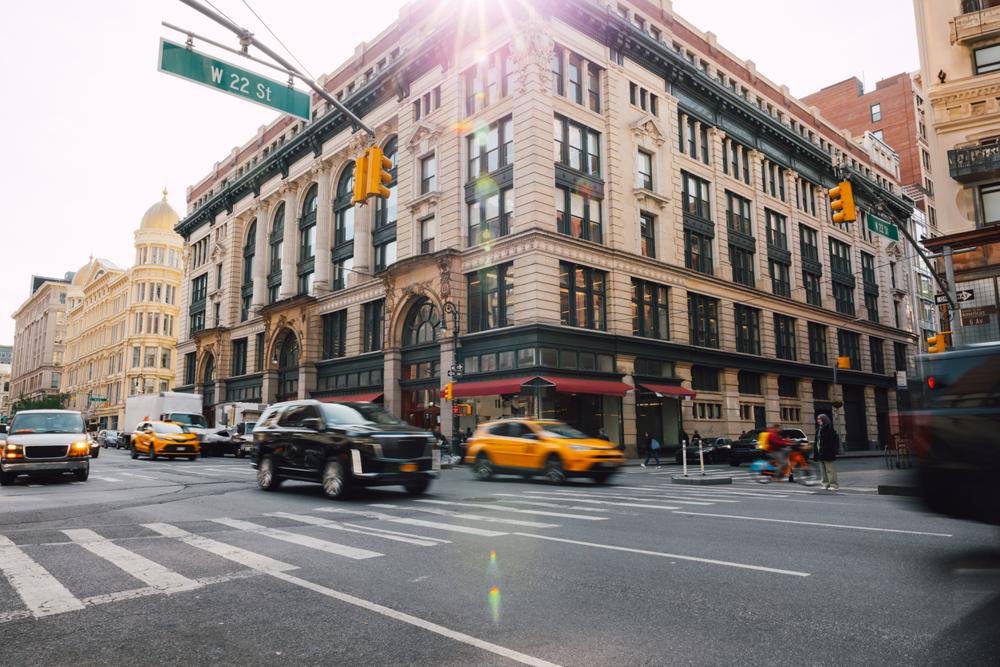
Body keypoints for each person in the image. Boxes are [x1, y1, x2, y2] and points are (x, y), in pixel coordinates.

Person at [815, 414, 839, 491]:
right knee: (823, 469)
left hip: (828, 451)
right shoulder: (819, 429)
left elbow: (833, 441)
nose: (818, 420)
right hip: (820, 451)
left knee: (830, 469)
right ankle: (825, 484)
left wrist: (832, 450)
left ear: (824, 420)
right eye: (818, 419)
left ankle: (833, 484)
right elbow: (817, 441)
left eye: (819, 419)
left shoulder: (829, 429)